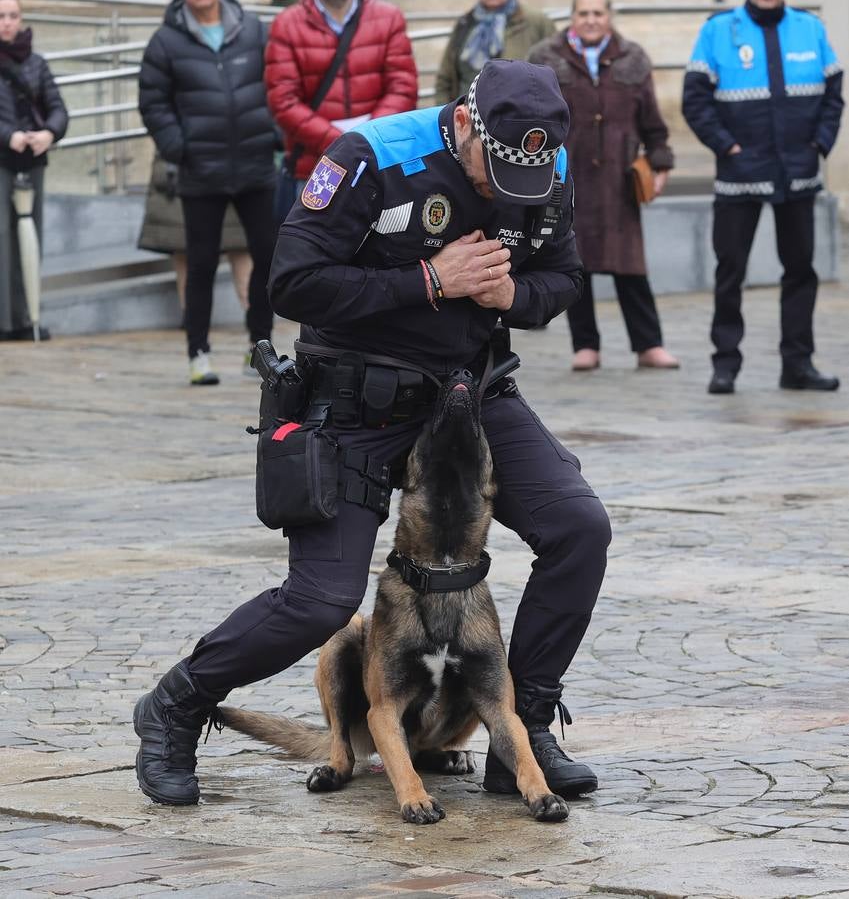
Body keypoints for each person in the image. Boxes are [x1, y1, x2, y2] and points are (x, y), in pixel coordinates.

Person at [133, 59, 612, 808]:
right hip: (356, 400)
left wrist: (513, 293)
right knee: (321, 601)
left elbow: (563, 279)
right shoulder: (370, 157)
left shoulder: (541, 167)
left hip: (466, 393)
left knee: (579, 527)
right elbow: (288, 282)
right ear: (462, 122)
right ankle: (177, 704)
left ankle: (524, 725)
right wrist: (429, 281)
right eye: (490, 174)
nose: (500, 195)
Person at [683, 0, 843, 395]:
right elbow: (695, 99)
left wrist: (819, 144)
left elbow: (834, 93)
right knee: (730, 271)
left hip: (798, 173)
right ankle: (725, 365)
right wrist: (727, 147)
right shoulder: (718, 30)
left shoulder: (811, 27)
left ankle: (798, 364)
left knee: (801, 269)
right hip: (740, 174)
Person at [529, 0, 678, 372]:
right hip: (567, 178)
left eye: (598, 13)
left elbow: (653, 121)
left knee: (630, 265)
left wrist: (660, 162)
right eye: (584, 13)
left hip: (619, 182)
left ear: (609, 17)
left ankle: (649, 344)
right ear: (573, 18)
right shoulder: (546, 56)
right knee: (577, 263)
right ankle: (586, 345)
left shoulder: (633, 58)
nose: (591, 20)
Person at [139, 0, 277, 386]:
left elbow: (280, 81)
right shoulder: (165, 41)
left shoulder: (253, 30)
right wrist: (179, 147)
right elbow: (153, 103)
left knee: (267, 255)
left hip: (256, 163)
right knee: (200, 263)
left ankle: (259, 347)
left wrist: (275, 134)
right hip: (200, 169)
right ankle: (198, 352)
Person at [265, 0, 417, 196]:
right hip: (317, 167)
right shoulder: (286, 24)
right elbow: (283, 101)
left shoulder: (388, 17)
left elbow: (403, 87)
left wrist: (368, 139)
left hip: (378, 162)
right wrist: (345, 144)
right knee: (316, 225)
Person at [138, 152, 255, 363]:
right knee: (192, 256)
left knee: (239, 253)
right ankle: (199, 339)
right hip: (188, 171)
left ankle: (256, 329)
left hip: (226, 171)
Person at [0, 0, 67, 342]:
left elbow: (57, 107)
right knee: (3, 241)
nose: (7, 23)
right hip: (2, 161)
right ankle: (5, 321)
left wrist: (48, 133)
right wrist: (6, 136)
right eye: (0, 16)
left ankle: (29, 317)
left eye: (13, 16)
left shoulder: (36, 63)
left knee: (31, 240)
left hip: (32, 161)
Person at [433, 0, 556, 107]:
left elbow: (553, 79)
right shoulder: (465, 24)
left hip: (517, 120)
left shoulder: (537, 23)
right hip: (466, 120)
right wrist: (447, 118)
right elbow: (445, 80)